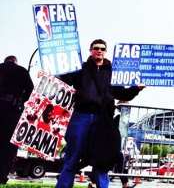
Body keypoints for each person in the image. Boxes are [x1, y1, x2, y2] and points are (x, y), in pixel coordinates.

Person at [43, 39, 146, 188]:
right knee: (72, 155)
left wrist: (136, 88)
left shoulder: (114, 72)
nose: (99, 50)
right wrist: (47, 76)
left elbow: (122, 94)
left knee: (102, 158)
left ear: (105, 51)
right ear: (90, 50)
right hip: (81, 115)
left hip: (103, 119)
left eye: (102, 48)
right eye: (96, 48)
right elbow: (63, 81)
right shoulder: (81, 68)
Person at [0, 55, 34, 184]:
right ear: (16, 62)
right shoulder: (22, 71)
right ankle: (2, 176)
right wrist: (19, 100)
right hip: (12, 110)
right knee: (8, 145)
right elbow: (31, 90)